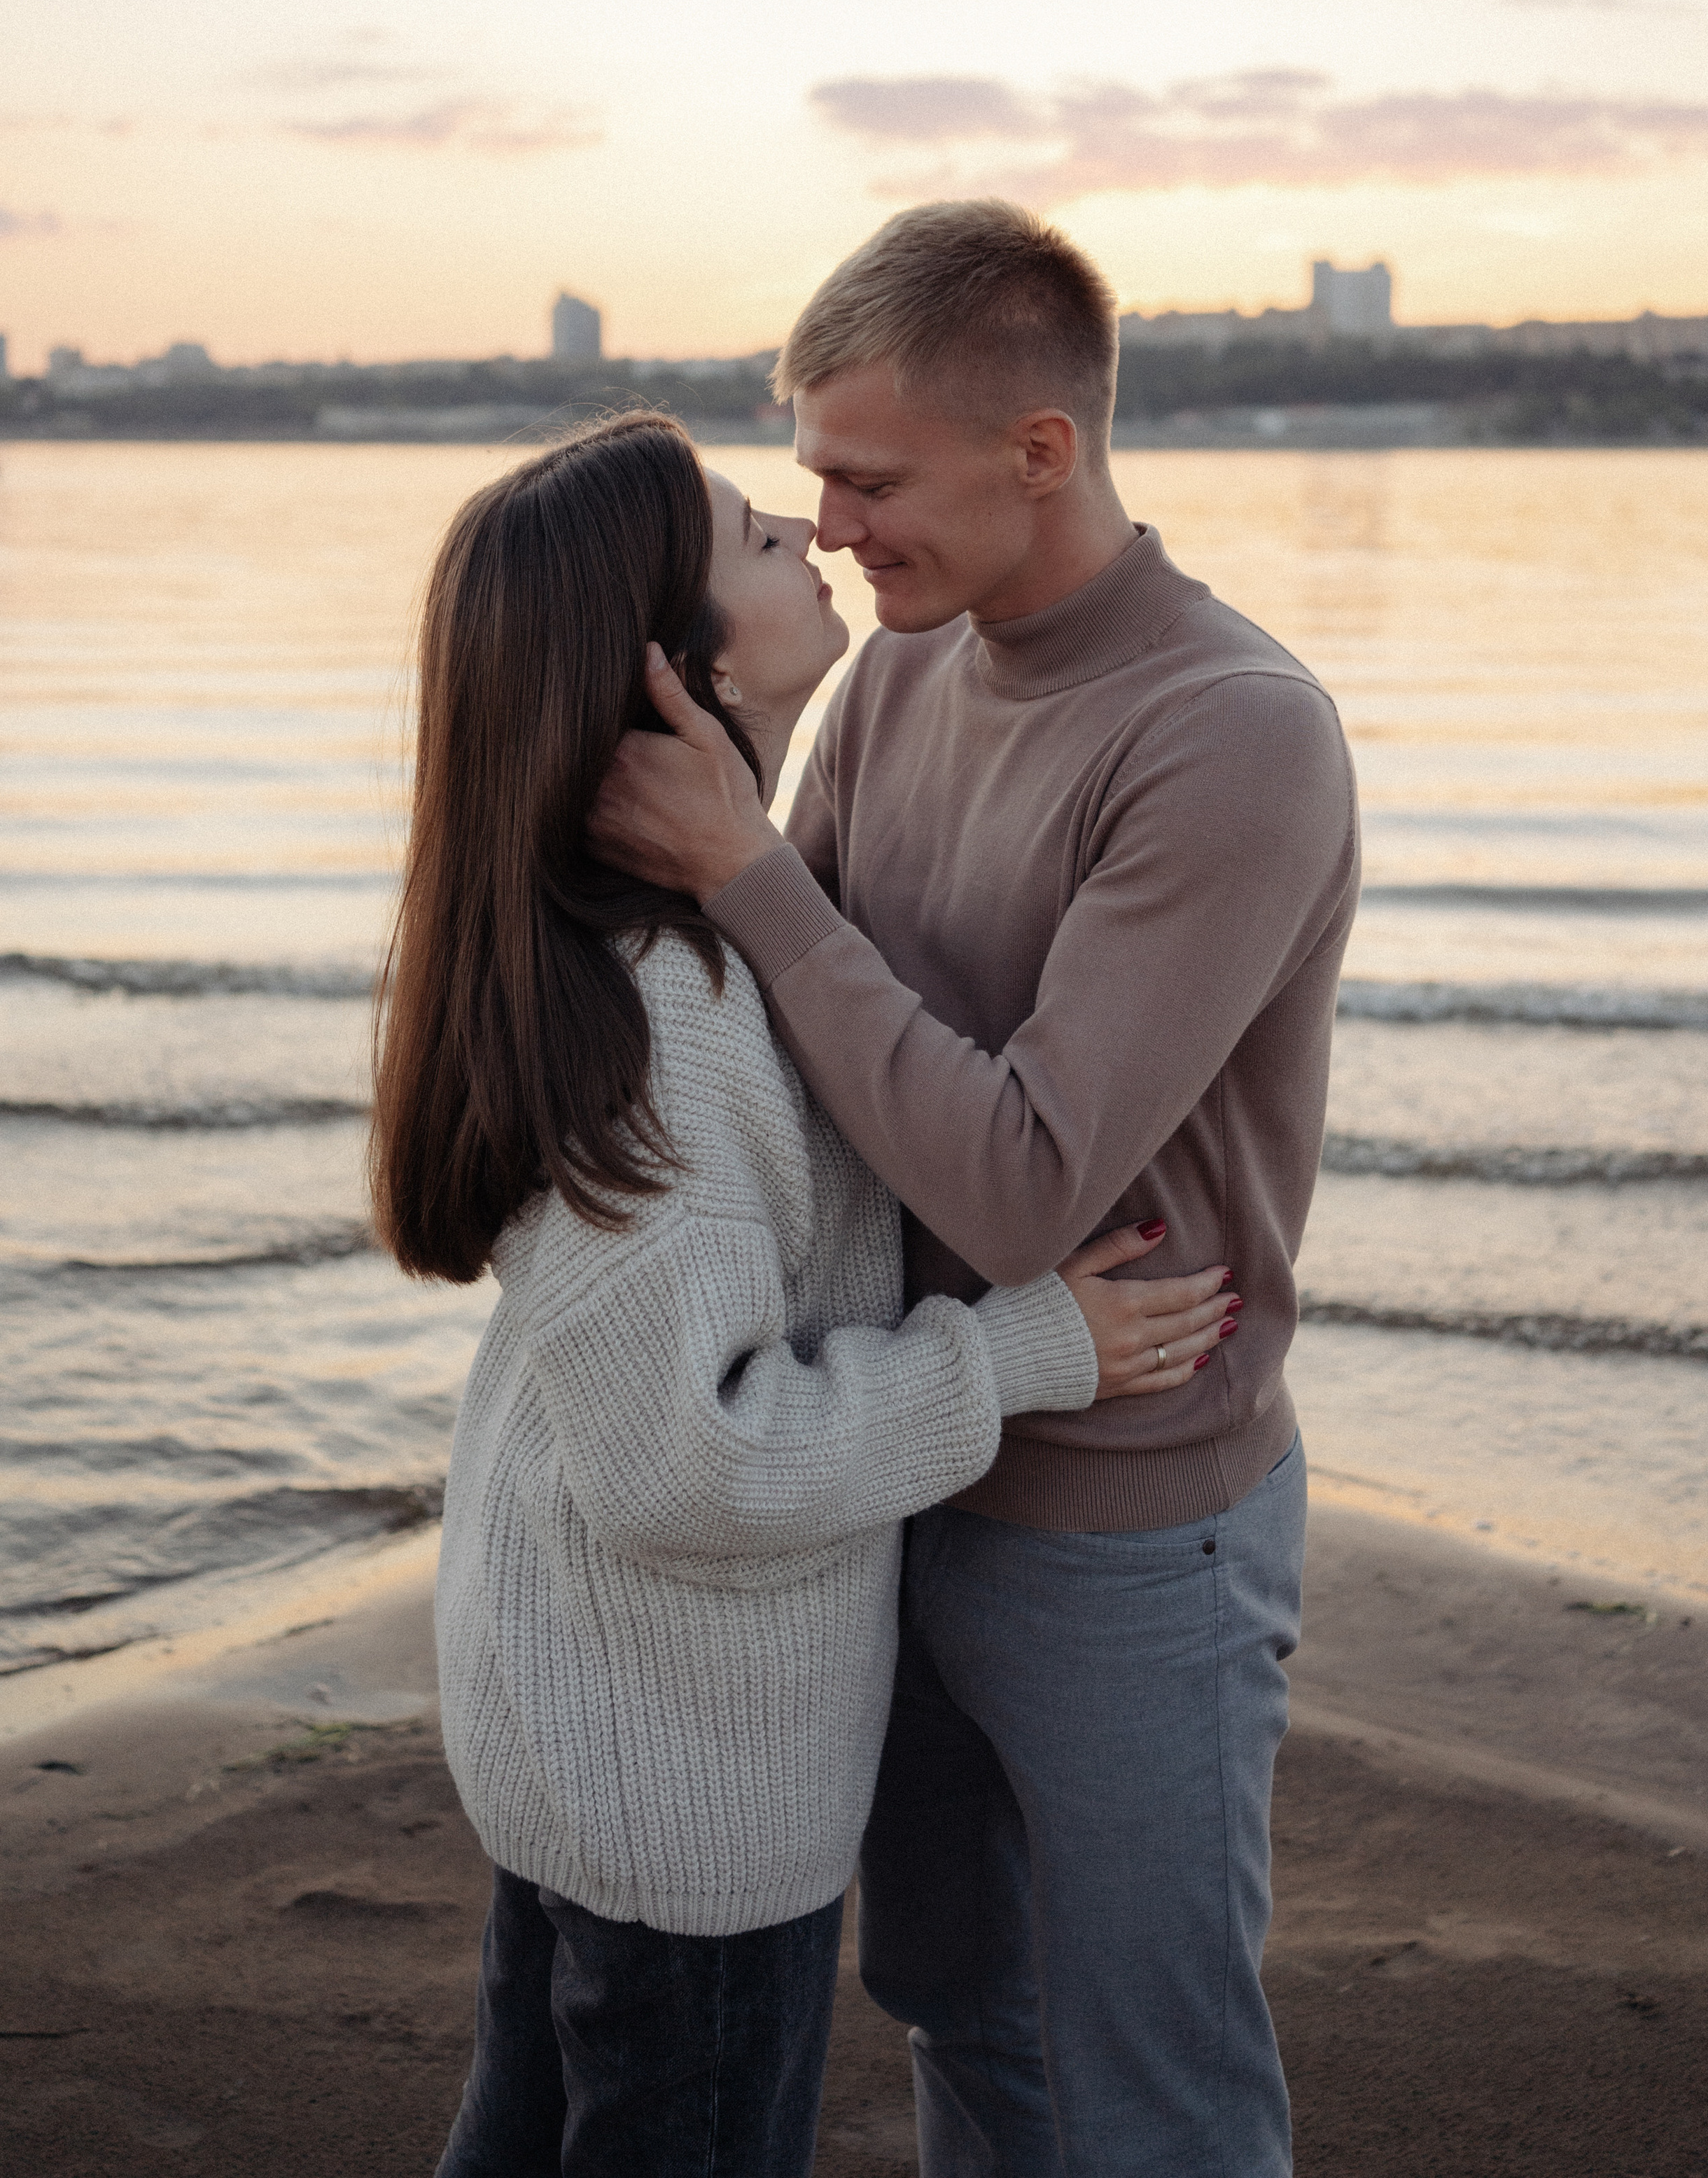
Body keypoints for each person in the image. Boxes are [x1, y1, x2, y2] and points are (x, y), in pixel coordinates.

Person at [368, 411, 1238, 2178]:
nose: (813, 531)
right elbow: (695, 1465)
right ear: (676, 671)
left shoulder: (698, 941)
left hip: (611, 1723)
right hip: (678, 1777)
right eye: (755, 537)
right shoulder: (666, 1015)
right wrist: (1021, 1349)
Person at [589, 205, 1362, 2178]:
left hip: (1131, 1522)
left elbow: (1021, 1187)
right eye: (812, 477)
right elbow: (803, 1058)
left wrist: (748, 870)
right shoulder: (903, 677)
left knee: (1152, 2088)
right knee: (957, 2007)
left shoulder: (1231, 735)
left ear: (1038, 450)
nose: (826, 525)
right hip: (896, 1461)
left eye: (868, 479)